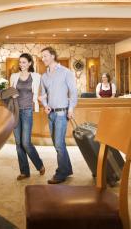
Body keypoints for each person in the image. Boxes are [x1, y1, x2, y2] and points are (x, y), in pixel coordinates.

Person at [40, 47, 77, 184]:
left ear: (53, 56)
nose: (43, 59)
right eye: (42, 57)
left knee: (59, 144)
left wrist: (71, 108)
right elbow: (43, 95)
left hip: (62, 113)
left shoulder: (66, 72)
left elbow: (73, 92)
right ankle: (67, 169)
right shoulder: (44, 76)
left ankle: (61, 173)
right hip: (51, 115)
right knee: (57, 144)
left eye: (45, 56)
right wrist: (45, 105)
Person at [10, 53, 45, 180]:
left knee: (25, 142)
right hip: (15, 111)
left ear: (30, 63)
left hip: (27, 111)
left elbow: (41, 92)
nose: (21, 65)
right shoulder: (14, 76)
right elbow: (11, 91)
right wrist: (11, 94)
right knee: (18, 143)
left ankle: (39, 164)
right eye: (20, 62)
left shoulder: (36, 76)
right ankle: (24, 172)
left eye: (24, 62)